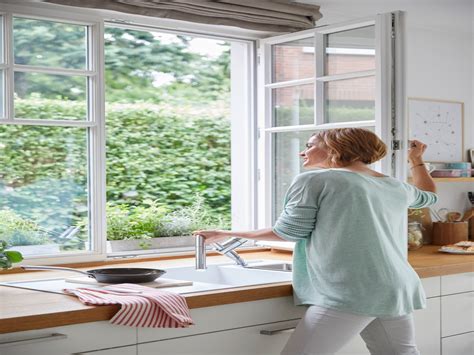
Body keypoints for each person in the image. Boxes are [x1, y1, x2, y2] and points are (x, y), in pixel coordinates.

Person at [193, 128, 437, 355]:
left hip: (352, 289)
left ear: (335, 147)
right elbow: (429, 197)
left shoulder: (315, 180)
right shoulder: (392, 185)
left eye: (309, 145)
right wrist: (416, 159)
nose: (303, 151)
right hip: (395, 286)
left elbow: (288, 232)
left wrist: (232, 232)